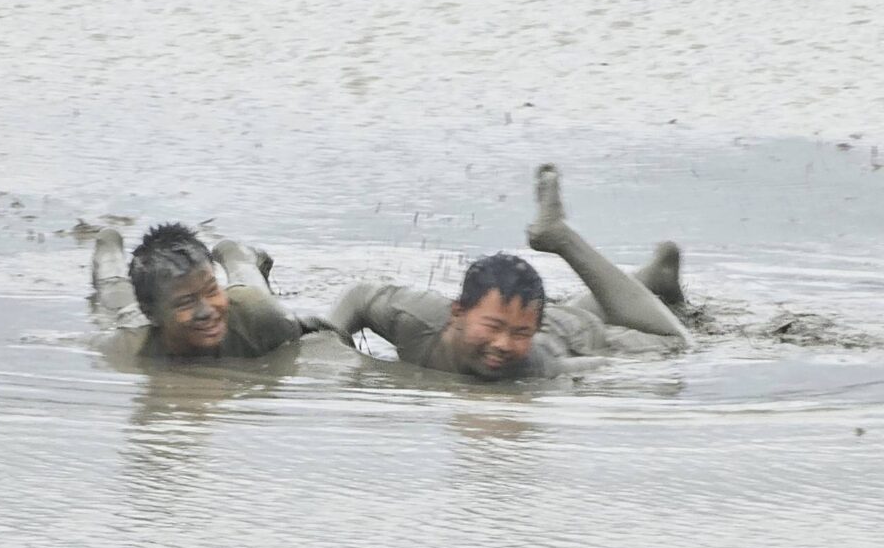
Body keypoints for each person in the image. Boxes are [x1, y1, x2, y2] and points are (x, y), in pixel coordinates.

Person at [328, 164, 691, 380]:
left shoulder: (536, 363)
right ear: (457, 312)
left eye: (518, 334)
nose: (503, 345)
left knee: (677, 344)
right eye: (492, 328)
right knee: (574, 313)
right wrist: (330, 341)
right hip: (554, 319)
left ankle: (561, 238)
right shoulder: (415, 317)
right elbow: (359, 296)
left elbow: (595, 365)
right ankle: (654, 277)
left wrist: (602, 369)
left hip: (571, 337)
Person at [92, 221, 333, 361]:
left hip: (246, 304)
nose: (206, 311)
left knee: (249, 283)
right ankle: (108, 239)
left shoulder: (261, 316)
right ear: (151, 315)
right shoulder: (128, 347)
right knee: (112, 287)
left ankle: (232, 252)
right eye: (186, 302)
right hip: (137, 315)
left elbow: (314, 327)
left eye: (211, 290)